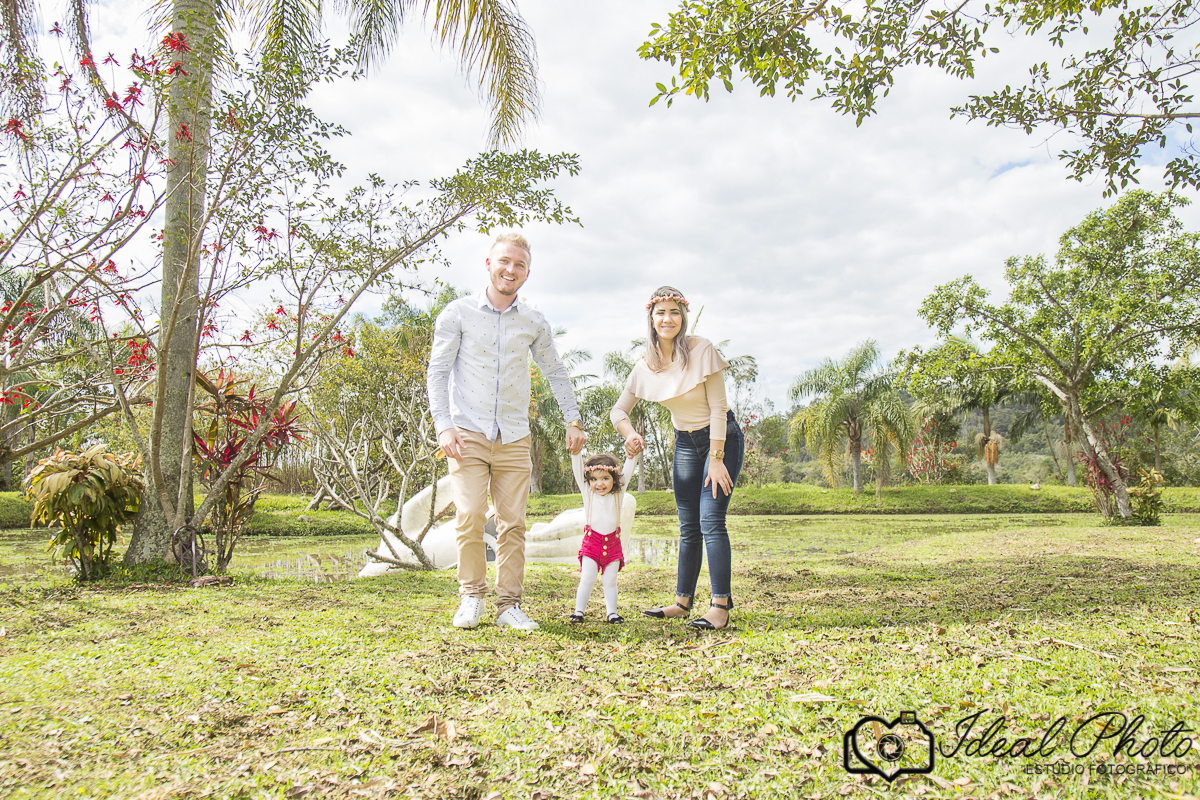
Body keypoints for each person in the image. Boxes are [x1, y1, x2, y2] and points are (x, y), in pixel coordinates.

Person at [427, 233, 587, 631]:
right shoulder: (457, 313)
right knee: (469, 514)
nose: (510, 270)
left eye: (518, 265)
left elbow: (555, 371)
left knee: (513, 522)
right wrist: (443, 426)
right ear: (488, 263)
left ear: (527, 274)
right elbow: (438, 372)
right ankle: (471, 597)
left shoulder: (533, 321)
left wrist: (573, 418)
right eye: (504, 262)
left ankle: (508, 606)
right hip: (467, 431)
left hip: (514, 435)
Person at [610, 286, 745, 631]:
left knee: (711, 519)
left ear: (683, 316)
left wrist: (716, 459)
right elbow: (619, 411)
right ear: (651, 319)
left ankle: (720, 607)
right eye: (660, 313)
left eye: (674, 312)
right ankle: (683, 602)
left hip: (721, 440)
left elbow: (717, 408)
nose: (667, 319)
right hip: (685, 444)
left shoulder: (702, 349)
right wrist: (631, 435)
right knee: (688, 527)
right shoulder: (645, 366)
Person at [568, 452, 637, 624]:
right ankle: (578, 612)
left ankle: (612, 613)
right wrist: (575, 452)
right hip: (592, 543)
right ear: (589, 480)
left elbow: (628, 470)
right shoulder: (588, 493)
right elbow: (577, 469)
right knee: (588, 577)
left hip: (613, 544)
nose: (599, 484)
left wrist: (632, 454)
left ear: (614, 478)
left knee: (610, 579)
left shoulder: (618, 493)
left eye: (605, 478)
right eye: (594, 479)